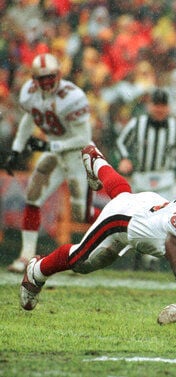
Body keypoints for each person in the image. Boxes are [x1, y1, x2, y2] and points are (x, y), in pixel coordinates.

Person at [20, 144, 176, 335]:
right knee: (83, 261)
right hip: (126, 222)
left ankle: (97, 162)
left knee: (124, 195)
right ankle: (37, 270)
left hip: (151, 206)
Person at [4, 53, 99, 273]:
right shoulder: (29, 93)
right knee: (33, 197)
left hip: (78, 154)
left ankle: (91, 255)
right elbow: (30, 119)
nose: (46, 82)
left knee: (81, 212)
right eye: (41, 77)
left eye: (50, 77)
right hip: (55, 152)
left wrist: (50, 147)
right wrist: (17, 148)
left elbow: (84, 138)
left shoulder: (73, 97)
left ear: (59, 75)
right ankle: (26, 256)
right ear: (34, 78)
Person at [116, 88, 176, 270]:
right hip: (141, 177)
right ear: (149, 106)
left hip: (165, 177)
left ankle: (152, 259)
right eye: (156, 105)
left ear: (168, 107)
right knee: (139, 217)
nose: (159, 109)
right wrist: (124, 158)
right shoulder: (138, 123)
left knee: (163, 218)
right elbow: (121, 142)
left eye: (163, 105)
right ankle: (139, 254)